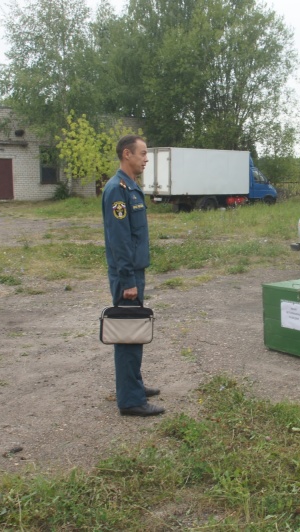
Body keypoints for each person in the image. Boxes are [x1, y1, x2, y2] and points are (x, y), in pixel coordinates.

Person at [102, 135, 164, 417]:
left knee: (134, 332)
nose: (146, 158)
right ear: (126, 154)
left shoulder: (131, 187)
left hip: (134, 271)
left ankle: (133, 385)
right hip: (126, 274)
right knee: (128, 334)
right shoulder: (118, 190)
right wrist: (127, 281)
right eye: (142, 153)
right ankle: (130, 401)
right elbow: (120, 239)